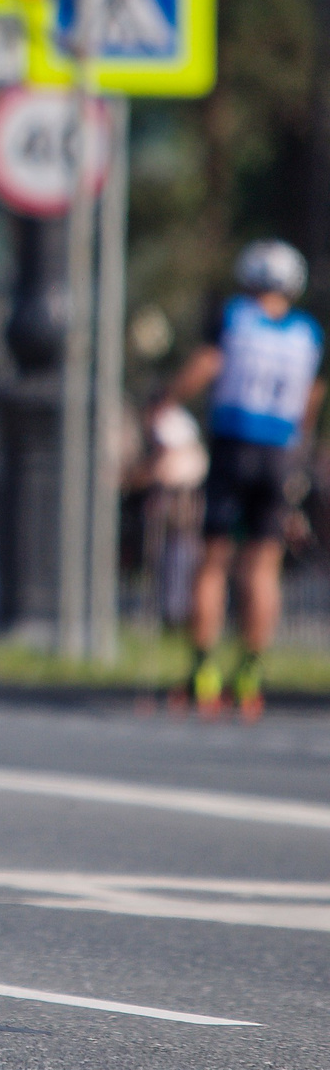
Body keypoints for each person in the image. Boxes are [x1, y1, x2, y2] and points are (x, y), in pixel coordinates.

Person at [153, 240, 324, 719]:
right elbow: (312, 397)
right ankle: (250, 670)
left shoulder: (235, 317)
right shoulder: (308, 333)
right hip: (280, 451)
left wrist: (167, 397)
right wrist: (300, 447)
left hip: (235, 444)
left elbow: (208, 364)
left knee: (212, 560)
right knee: (263, 566)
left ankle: (203, 668)